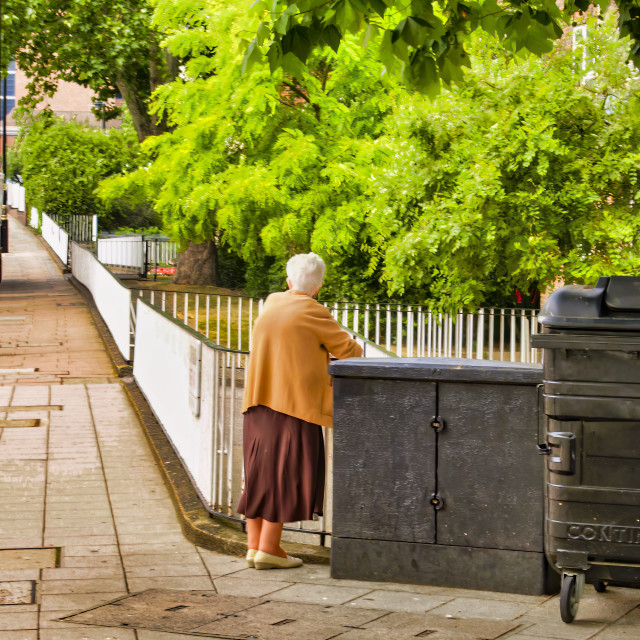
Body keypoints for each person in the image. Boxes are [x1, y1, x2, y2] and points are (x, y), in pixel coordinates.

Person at [237, 252, 363, 570]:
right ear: (318, 287)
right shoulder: (313, 309)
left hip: (257, 403)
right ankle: (269, 549)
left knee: (258, 475)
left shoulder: (272, 302)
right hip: (291, 407)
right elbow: (348, 350)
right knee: (283, 475)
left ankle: (254, 547)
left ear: (289, 281)